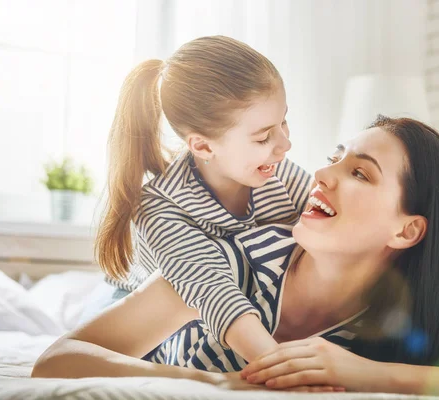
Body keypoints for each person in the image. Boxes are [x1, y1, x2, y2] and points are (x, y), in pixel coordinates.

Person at [33, 116, 439, 398]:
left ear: (407, 230)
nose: (321, 176)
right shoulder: (229, 264)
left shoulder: (402, 313)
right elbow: (56, 360)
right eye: (334, 160)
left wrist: (361, 373)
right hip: (144, 303)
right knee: (91, 295)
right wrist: (215, 382)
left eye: (360, 173)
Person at [86, 35, 312, 363]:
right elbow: (212, 290)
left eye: (284, 121)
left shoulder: (279, 173)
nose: (285, 144)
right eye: (264, 137)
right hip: (134, 312)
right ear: (204, 146)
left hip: (223, 307)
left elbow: (328, 232)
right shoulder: (158, 209)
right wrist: (281, 370)